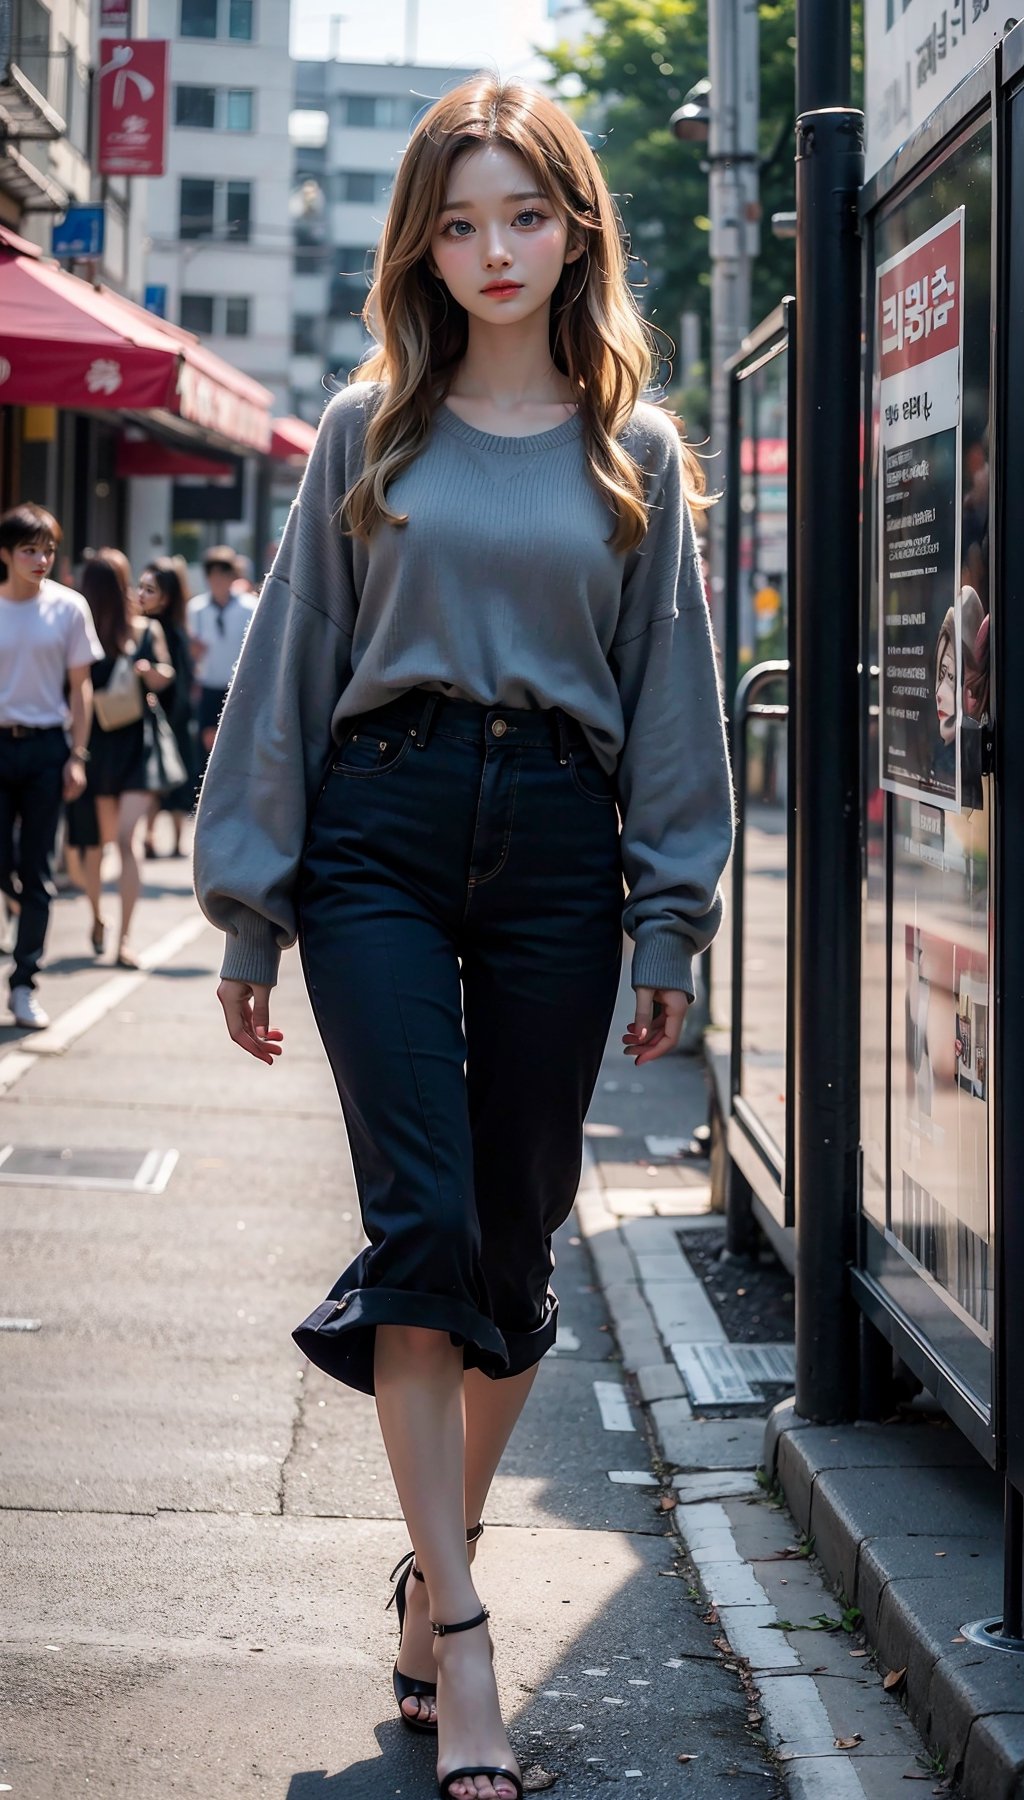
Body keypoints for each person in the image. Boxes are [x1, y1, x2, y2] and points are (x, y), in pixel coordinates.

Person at [194, 75, 733, 1800]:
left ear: (574, 226)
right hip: (382, 827)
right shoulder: (370, 431)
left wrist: (670, 926)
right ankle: (474, 1643)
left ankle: (435, 1564)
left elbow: (672, 710)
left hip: (564, 847)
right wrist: (247, 909)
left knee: (512, 1244)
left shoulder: (631, 450)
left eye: (522, 213)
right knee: (420, 1223)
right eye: (457, 219)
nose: (492, 249)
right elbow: (287, 670)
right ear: (417, 244)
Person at [0, 504, 101, 1029]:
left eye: (48, 550)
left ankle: (23, 984)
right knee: (6, 864)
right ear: (6, 554)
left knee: (37, 870)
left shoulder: (68, 608)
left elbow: (80, 687)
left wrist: (77, 756)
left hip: (46, 750)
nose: (41, 560)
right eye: (29, 550)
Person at [72, 553, 175, 966]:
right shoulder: (80, 630)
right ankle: (98, 917)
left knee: (126, 839)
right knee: (95, 849)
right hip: (96, 745)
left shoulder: (144, 629)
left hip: (135, 743)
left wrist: (152, 672)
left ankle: (125, 939)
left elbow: (167, 673)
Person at [138, 559, 196, 857]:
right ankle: (156, 838)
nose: (142, 594)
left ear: (167, 595)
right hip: (164, 712)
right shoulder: (170, 627)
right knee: (163, 780)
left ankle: (162, 839)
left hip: (169, 713)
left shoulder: (162, 629)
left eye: (151, 589)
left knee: (166, 779)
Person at [187, 545, 255, 767]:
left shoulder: (249, 607)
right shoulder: (196, 609)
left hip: (239, 687)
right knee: (207, 746)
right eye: (213, 575)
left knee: (238, 744)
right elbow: (191, 652)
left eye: (223, 574)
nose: (218, 581)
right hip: (209, 686)